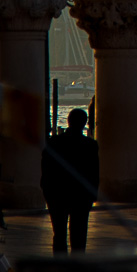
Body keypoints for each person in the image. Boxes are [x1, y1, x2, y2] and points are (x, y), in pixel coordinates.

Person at [42, 109, 101, 254]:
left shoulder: (54, 142)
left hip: (57, 195)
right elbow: (94, 172)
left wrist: (47, 192)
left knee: (59, 236)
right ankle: (76, 269)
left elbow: (46, 169)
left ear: (68, 121)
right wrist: (92, 195)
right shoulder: (90, 145)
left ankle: (61, 268)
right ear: (85, 123)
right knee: (79, 236)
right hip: (81, 196)